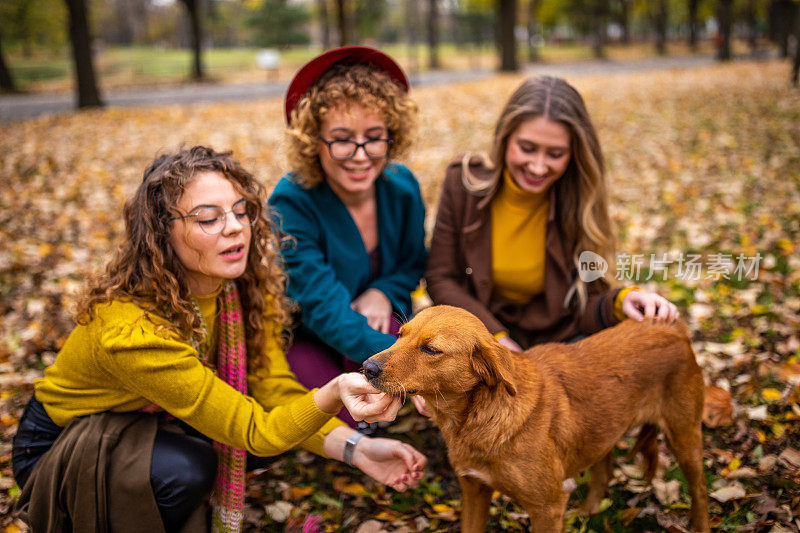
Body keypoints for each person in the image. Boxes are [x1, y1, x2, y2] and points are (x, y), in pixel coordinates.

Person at [12, 146, 426, 533]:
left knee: (285, 421)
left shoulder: (241, 287)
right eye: (208, 218)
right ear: (161, 233)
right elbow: (255, 429)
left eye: (241, 211)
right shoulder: (133, 332)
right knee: (189, 470)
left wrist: (356, 448)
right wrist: (336, 390)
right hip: (66, 443)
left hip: (150, 417)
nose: (235, 228)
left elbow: (273, 389)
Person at [425, 75, 679, 354]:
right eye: (527, 148)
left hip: (558, 342)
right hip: (478, 337)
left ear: (573, 153)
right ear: (505, 137)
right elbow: (441, 278)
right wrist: (493, 337)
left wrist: (620, 301)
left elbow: (586, 302)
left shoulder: (579, 198)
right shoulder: (463, 183)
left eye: (555, 154)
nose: (537, 167)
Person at [268, 47, 426, 427]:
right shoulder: (292, 200)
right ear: (313, 140)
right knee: (342, 416)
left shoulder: (402, 186)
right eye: (341, 139)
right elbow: (322, 309)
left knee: (382, 386)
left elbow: (412, 262)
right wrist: (419, 368)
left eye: (373, 137)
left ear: (392, 135)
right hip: (312, 333)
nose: (359, 155)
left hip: (379, 322)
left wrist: (384, 290)